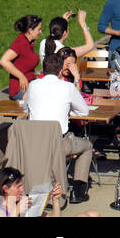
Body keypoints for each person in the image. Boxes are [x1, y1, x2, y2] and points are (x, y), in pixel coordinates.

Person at [24, 51, 94, 203]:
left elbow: (25, 109)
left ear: (43, 69)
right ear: (61, 70)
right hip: (59, 142)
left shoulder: (33, 85)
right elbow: (84, 111)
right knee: (87, 146)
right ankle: (78, 191)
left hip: (34, 142)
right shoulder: (67, 87)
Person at [0, 15, 42, 98]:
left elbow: (24, 65)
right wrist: (21, 76)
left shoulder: (28, 42)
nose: (40, 32)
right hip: (19, 91)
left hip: (30, 86)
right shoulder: (21, 43)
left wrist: (38, 73)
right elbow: (3, 61)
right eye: (39, 29)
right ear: (30, 31)